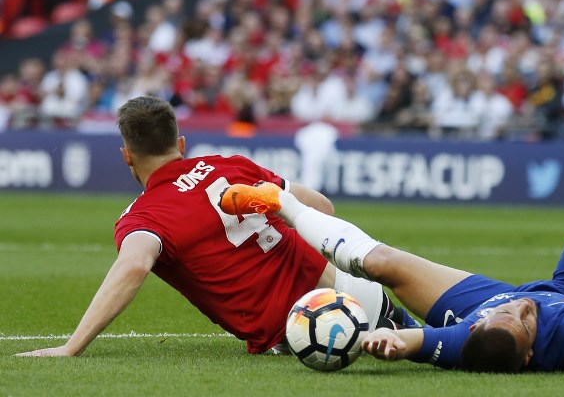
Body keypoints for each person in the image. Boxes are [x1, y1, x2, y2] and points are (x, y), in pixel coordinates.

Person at [216, 5, 564, 373]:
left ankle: (277, 202)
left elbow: (416, 341)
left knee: (381, 266)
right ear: (532, 353)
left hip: (476, 302)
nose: (520, 306)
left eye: (505, 314)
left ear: (476, 328)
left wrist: (388, 342)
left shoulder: (468, 336)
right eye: (522, 318)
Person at [17, 96, 413, 358]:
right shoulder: (230, 164)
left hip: (307, 330)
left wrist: (72, 347)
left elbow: (134, 266)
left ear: (126, 157)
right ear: (181, 143)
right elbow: (321, 207)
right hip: (356, 291)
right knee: (436, 346)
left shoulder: (142, 218)